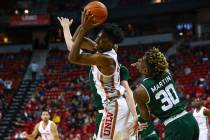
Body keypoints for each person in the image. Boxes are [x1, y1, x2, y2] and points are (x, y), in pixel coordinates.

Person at [59, 10, 139, 139]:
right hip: (114, 106)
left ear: (111, 44)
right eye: (98, 36)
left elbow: (73, 57)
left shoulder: (105, 59)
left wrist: (84, 28)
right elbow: (75, 42)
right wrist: (81, 26)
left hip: (115, 106)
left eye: (102, 39)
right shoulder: (101, 48)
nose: (97, 40)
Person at [133, 47, 199, 140]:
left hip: (175, 125)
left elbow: (145, 115)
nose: (139, 66)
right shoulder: (167, 72)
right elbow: (161, 63)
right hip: (189, 119)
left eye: (141, 65)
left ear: (145, 70)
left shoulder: (139, 91)